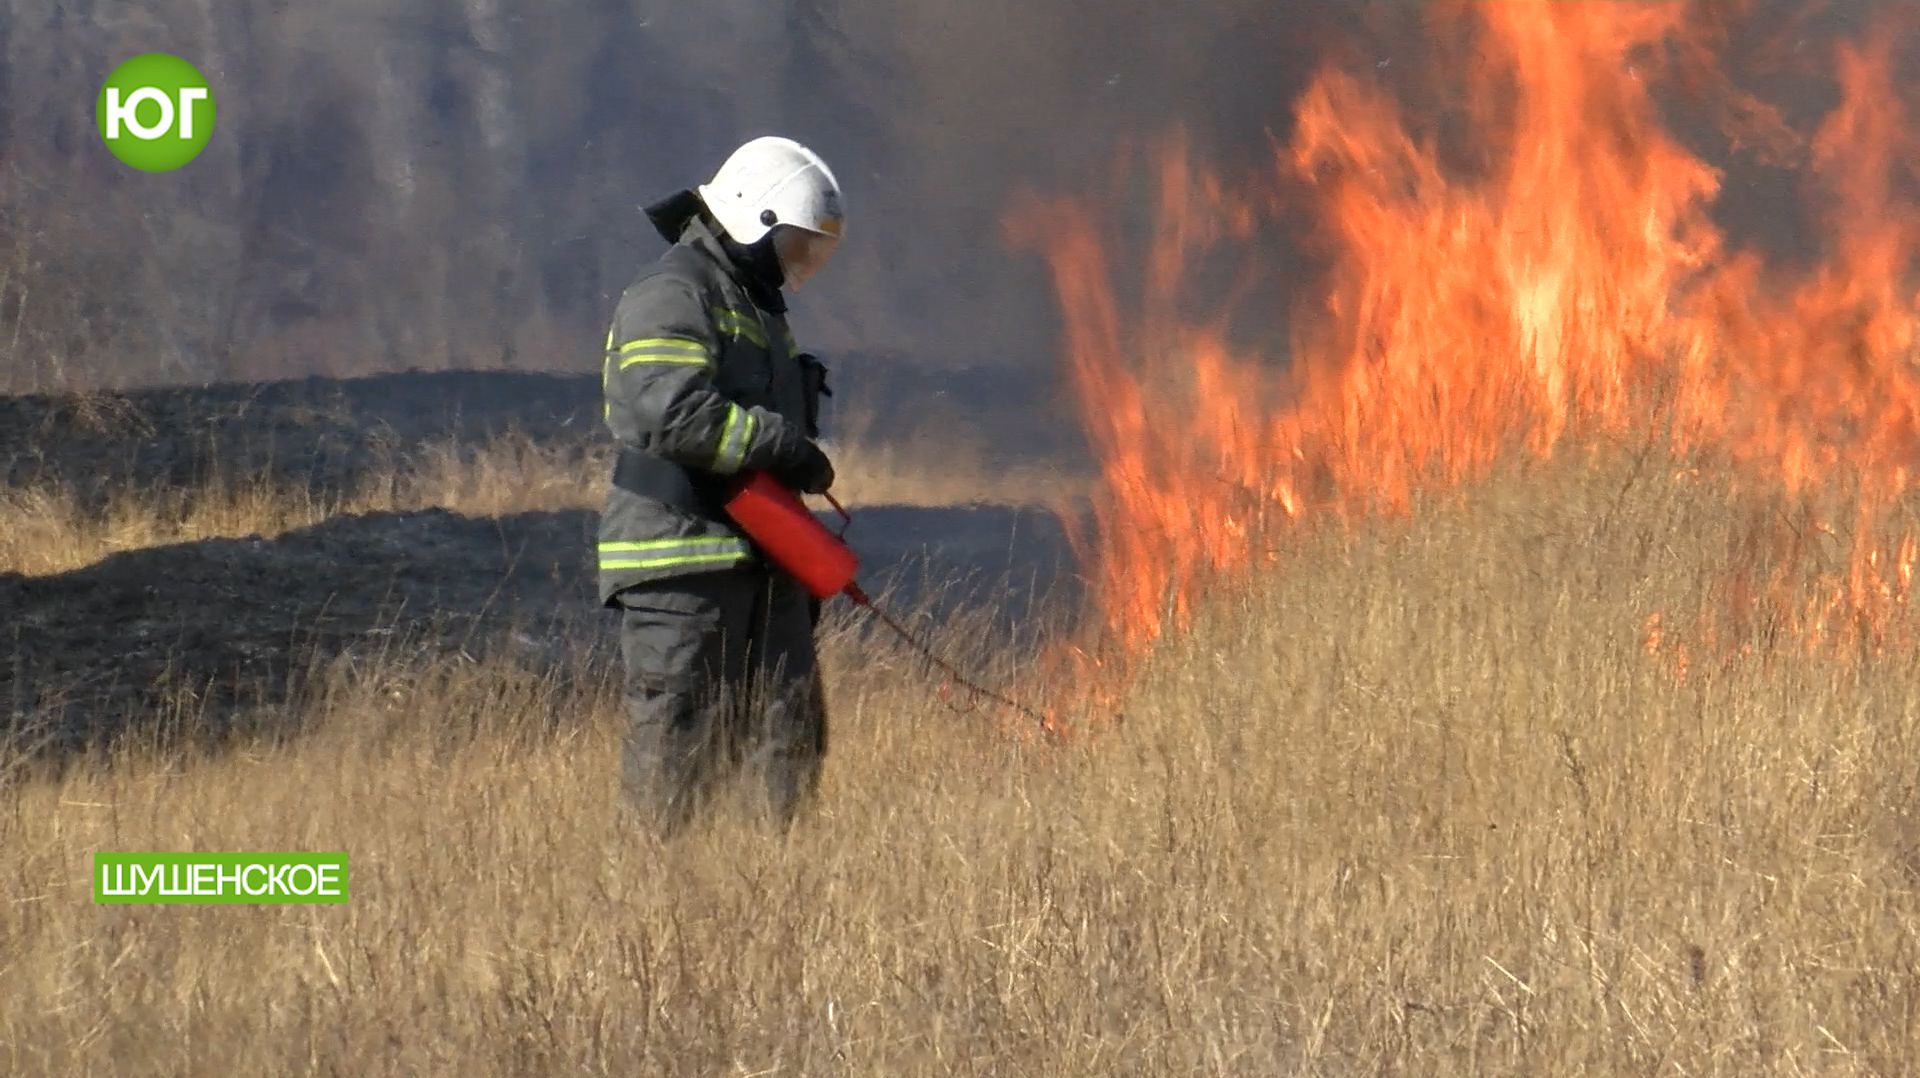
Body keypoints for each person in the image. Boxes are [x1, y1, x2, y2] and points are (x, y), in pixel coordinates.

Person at [597, 136, 844, 832]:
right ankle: (653, 911)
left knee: (786, 742)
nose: (800, 264)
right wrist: (781, 444)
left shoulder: (758, 309)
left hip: (760, 565)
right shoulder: (673, 292)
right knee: (679, 752)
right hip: (681, 567)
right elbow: (667, 410)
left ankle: (765, 903)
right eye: (795, 244)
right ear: (754, 217)